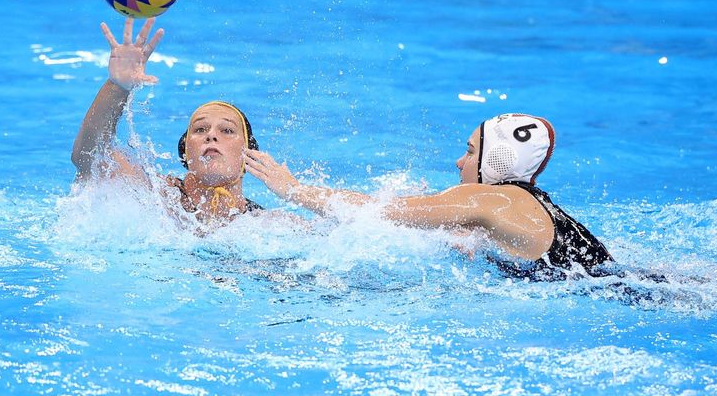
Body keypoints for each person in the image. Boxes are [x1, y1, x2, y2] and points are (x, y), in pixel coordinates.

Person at [245, 113, 614, 279]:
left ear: (496, 161)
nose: (459, 162)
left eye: (470, 152)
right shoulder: (522, 204)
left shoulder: (493, 200)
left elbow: (377, 213)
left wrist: (294, 190)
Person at [71, 17, 262, 227]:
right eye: (200, 129)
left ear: (248, 153)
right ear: (185, 151)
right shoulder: (156, 197)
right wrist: (118, 86)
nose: (211, 135)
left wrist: (294, 190)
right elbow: (90, 156)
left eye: (227, 130)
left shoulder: (263, 224)